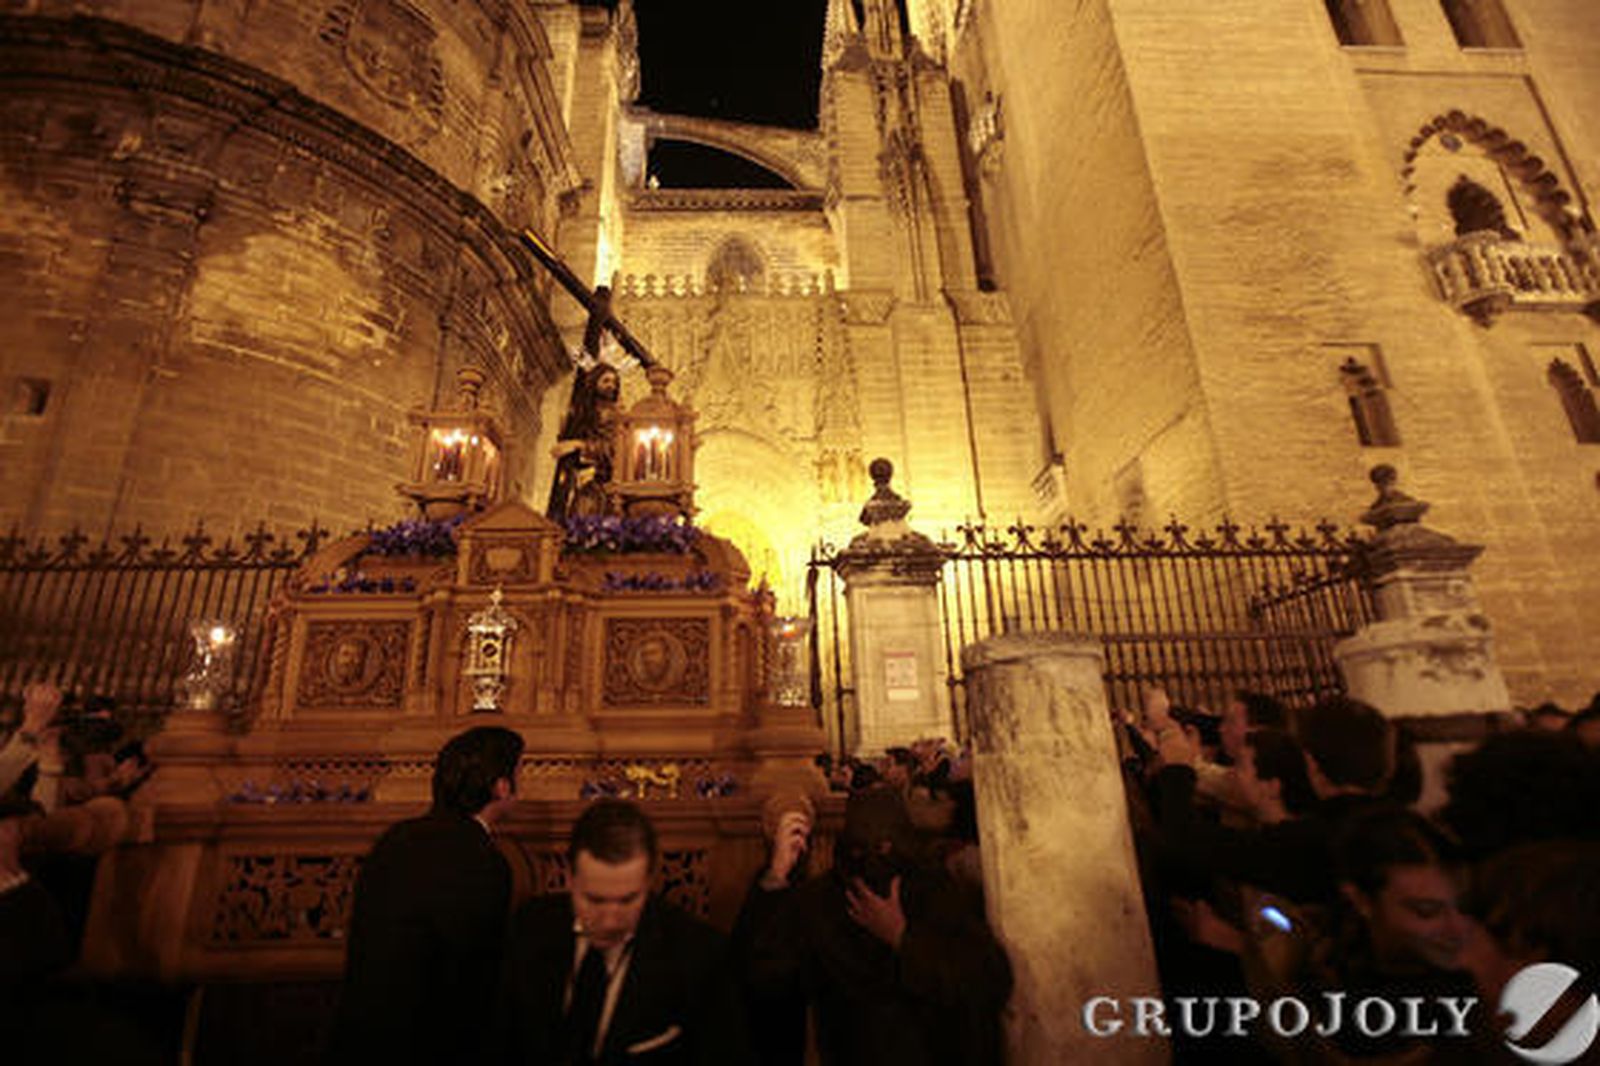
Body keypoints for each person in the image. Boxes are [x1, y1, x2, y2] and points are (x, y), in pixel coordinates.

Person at [737, 787, 1012, 1066]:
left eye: (884, 848)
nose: (872, 862)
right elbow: (766, 977)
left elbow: (987, 978)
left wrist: (901, 937)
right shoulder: (821, 902)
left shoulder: (933, 891)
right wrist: (776, 877)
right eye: (859, 849)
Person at [326, 726, 524, 1066]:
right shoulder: (481, 858)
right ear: (502, 786)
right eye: (520, 773)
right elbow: (475, 976)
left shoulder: (395, 838)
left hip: (359, 1037)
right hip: (427, 1043)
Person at [497, 798, 746, 1065]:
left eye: (628, 900)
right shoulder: (528, 930)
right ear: (570, 878)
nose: (610, 921)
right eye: (595, 900)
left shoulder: (698, 954)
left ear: (649, 881)